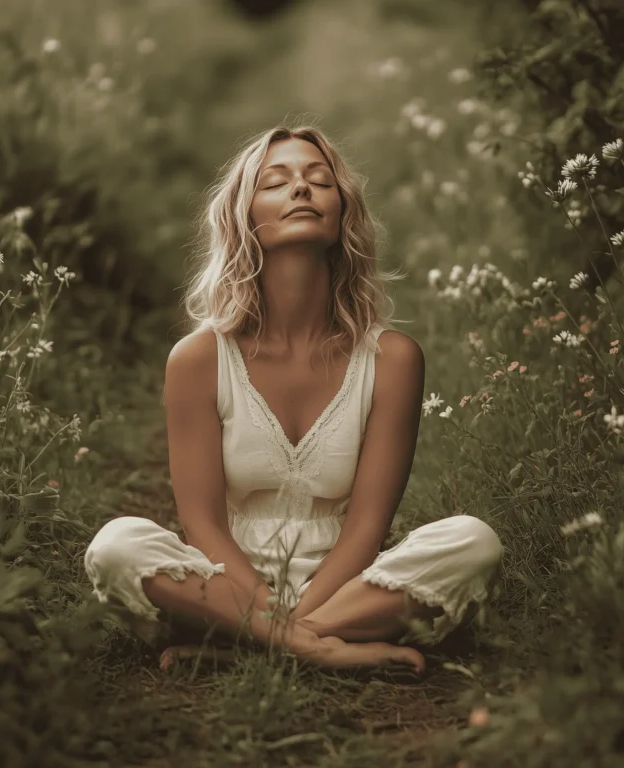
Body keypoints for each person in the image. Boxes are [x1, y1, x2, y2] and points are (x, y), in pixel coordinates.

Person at [84, 123, 504, 672]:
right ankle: (319, 652)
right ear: (245, 217)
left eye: (318, 180)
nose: (301, 189)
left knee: (475, 542)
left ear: (342, 214)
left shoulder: (392, 359)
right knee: (117, 545)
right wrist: (268, 613)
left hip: (346, 590)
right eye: (276, 182)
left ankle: (245, 646)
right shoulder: (198, 359)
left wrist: (293, 616)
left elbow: (366, 529)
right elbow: (203, 526)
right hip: (224, 585)